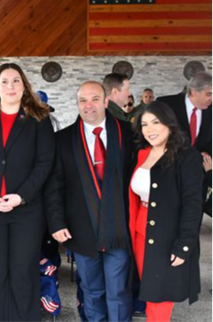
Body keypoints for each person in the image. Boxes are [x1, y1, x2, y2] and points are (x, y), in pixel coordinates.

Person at [0, 63, 55, 322]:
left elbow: (44, 162)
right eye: (4, 81)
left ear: (24, 85)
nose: (10, 87)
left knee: (22, 270)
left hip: (26, 210)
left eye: (16, 81)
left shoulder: (38, 116)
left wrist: (21, 195)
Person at [46, 81, 134, 322]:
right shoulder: (62, 140)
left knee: (118, 291)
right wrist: (56, 222)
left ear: (106, 101)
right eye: (83, 100)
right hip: (81, 230)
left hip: (119, 229)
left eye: (95, 99)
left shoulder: (128, 133)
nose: (89, 105)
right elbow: (54, 186)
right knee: (92, 291)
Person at [129, 101, 203, 321]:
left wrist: (184, 245)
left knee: (159, 297)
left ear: (169, 123)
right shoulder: (141, 153)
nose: (150, 129)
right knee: (150, 291)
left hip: (167, 236)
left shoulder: (187, 156)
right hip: (139, 233)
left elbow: (192, 204)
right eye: (144, 124)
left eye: (156, 122)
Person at [157, 71, 213, 151]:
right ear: (194, 92)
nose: (212, 99)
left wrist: (207, 155)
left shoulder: (211, 110)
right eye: (209, 94)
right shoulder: (165, 104)